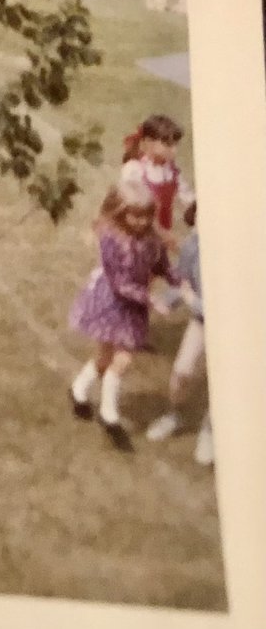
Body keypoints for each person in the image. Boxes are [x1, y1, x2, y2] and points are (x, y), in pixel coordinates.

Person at [68, 180, 180, 451]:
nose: (141, 222)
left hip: (133, 306)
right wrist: (151, 299)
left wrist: (178, 279)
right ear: (120, 212)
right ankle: (108, 414)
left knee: (113, 360)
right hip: (112, 303)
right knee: (117, 359)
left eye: (146, 216)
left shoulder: (152, 239)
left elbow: (162, 264)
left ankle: (80, 391)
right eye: (135, 215)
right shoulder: (110, 237)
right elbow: (118, 284)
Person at [145, 203, 212, 465]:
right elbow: (183, 281)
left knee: (223, 383)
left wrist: (190, 299)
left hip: (231, 327)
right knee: (182, 371)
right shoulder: (194, 245)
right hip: (201, 320)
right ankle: (174, 415)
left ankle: (210, 431)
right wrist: (165, 302)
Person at [120, 114, 195, 250]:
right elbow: (130, 205)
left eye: (175, 145)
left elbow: (187, 198)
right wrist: (162, 233)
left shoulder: (172, 172)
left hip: (162, 233)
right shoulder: (135, 170)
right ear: (149, 142)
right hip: (137, 232)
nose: (174, 150)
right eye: (168, 145)